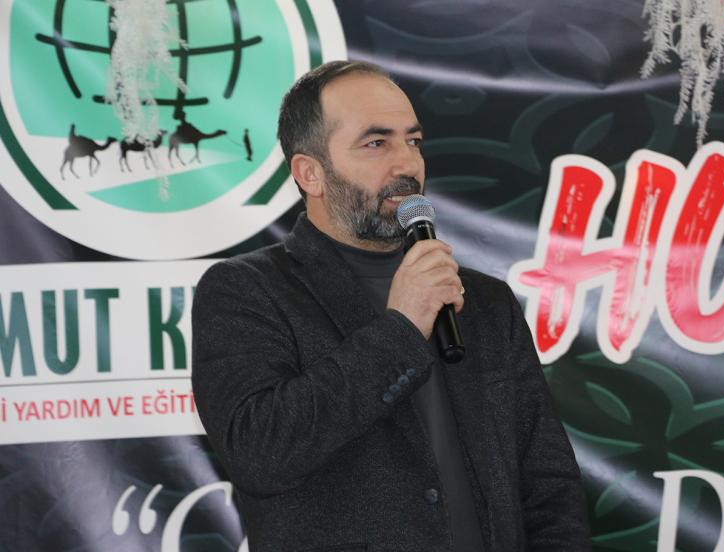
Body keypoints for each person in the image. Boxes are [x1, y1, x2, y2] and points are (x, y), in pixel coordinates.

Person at [191, 60, 591, 551]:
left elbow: (548, 483)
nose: (407, 165)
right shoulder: (247, 290)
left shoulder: (484, 300)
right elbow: (259, 453)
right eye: (376, 143)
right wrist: (401, 327)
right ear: (310, 173)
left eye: (413, 141)